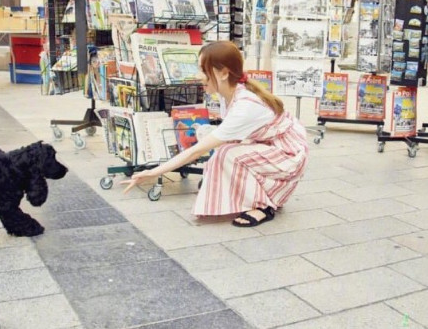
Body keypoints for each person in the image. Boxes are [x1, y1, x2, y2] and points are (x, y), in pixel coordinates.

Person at [122, 40, 309, 228]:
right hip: (273, 146)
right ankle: (240, 192)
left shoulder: (245, 106)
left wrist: (153, 172)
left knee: (228, 153)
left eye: (203, 70)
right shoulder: (228, 93)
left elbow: (197, 151)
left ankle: (263, 206)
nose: (198, 76)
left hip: (288, 155)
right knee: (224, 153)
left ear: (223, 73)